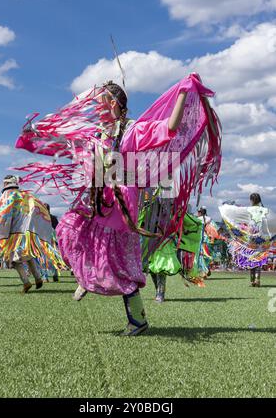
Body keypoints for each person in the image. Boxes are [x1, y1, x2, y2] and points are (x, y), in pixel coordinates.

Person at [15, 73, 222, 334]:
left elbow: (170, 127)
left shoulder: (133, 131)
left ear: (113, 104)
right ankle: (86, 276)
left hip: (121, 200)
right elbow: (65, 144)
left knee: (120, 262)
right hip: (96, 199)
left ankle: (138, 320)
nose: (96, 107)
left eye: (100, 102)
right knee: (67, 228)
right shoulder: (95, 134)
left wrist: (183, 91)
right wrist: (34, 134)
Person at [0, 176, 64, 293]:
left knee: (14, 261)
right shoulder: (27, 196)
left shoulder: (7, 197)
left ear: (6, 183)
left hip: (14, 235)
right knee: (28, 256)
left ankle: (26, 282)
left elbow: (1, 215)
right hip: (26, 233)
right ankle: (38, 278)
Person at [219, 193, 276, 287]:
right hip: (261, 238)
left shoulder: (248, 209)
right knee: (258, 258)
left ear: (251, 200)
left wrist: (224, 208)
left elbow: (235, 212)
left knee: (251, 258)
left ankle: (252, 281)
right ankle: (257, 279)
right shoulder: (266, 210)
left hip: (250, 237)